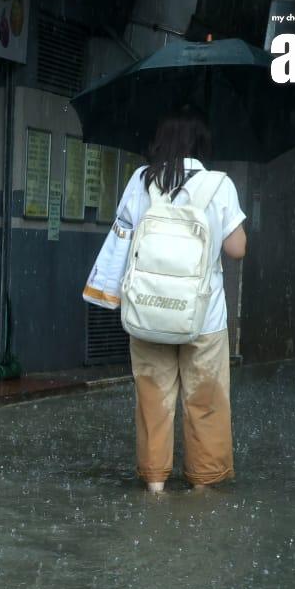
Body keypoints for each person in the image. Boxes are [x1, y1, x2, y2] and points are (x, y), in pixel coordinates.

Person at [89, 107, 247, 494]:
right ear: (202, 145)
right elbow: (237, 249)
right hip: (204, 317)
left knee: (153, 400)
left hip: (148, 313)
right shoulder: (219, 184)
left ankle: (156, 485)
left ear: (160, 142)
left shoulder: (141, 181)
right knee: (205, 400)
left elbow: (122, 239)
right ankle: (203, 487)